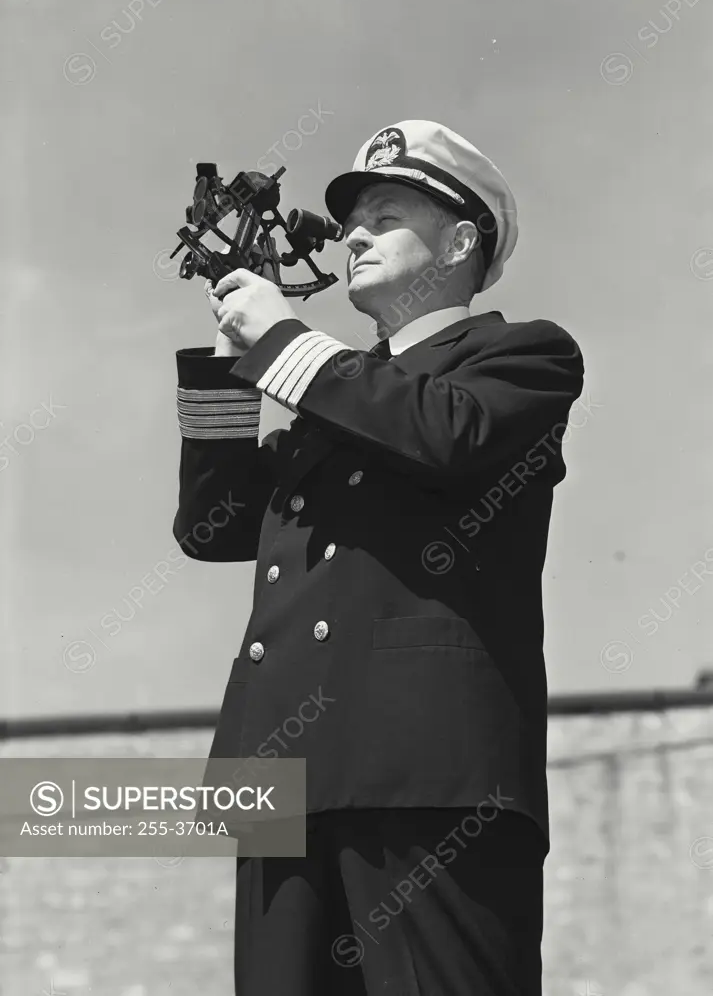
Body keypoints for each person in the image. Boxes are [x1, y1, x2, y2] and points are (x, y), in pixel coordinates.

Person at [172, 119, 585, 995]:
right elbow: (211, 527)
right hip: (281, 788)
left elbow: (440, 434)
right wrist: (225, 366)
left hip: (428, 778)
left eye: (385, 214)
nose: (353, 234)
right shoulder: (336, 391)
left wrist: (284, 345)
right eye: (351, 219)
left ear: (461, 241)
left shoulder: (521, 356)